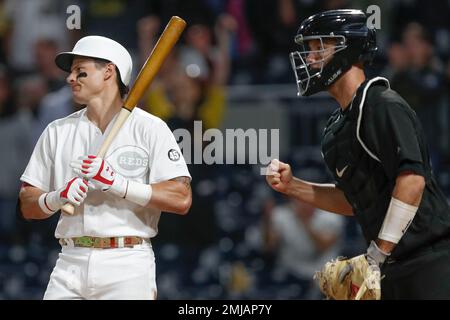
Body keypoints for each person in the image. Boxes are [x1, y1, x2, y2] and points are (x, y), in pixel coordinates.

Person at [266, 9, 450, 299]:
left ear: (347, 48)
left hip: (432, 259)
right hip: (391, 267)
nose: (311, 58)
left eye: (319, 47)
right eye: (309, 50)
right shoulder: (336, 129)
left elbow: (412, 181)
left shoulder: (381, 103)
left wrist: (376, 254)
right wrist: (293, 186)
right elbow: (356, 201)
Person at [18, 35, 192, 300]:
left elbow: (181, 198)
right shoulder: (57, 130)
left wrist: (118, 184)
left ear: (109, 71)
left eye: (80, 71)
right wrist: (56, 197)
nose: (70, 78)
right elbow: (27, 204)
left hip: (127, 261)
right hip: (70, 260)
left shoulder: (150, 128)